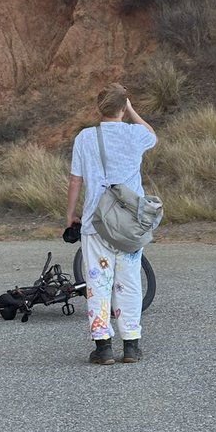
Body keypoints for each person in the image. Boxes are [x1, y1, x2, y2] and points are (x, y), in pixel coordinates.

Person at [65, 83, 157, 365]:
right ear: (123, 107)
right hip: (128, 225)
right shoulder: (134, 134)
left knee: (97, 285)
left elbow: (75, 181)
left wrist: (70, 215)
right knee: (128, 283)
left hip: (96, 223)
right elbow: (152, 135)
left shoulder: (85, 138)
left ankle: (103, 347)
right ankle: (131, 346)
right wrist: (132, 110)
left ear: (99, 107)